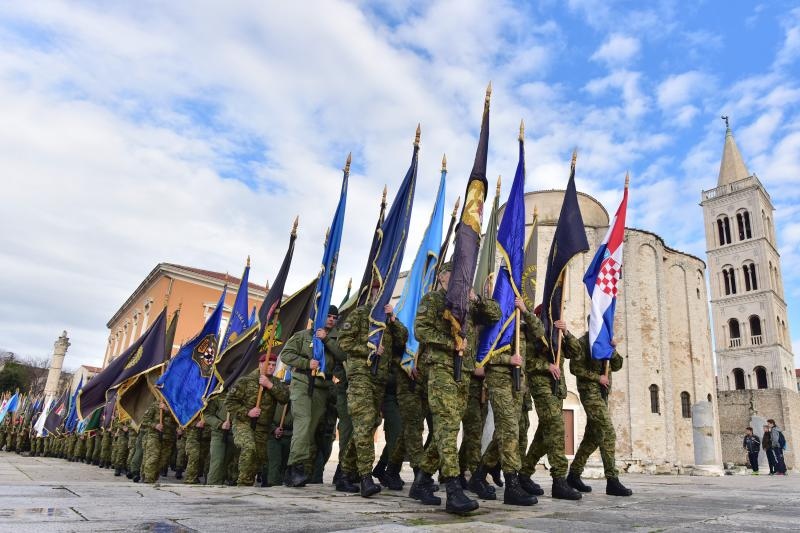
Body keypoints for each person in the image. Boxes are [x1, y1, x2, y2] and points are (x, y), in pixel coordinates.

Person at [409, 263, 502, 515]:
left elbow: (495, 314)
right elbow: (420, 330)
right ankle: (452, 488)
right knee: (448, 426)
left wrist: (476, 298)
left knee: (446, 427)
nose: (460, 281)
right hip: (441, 368)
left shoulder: (467, 303)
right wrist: (451, 342)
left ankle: (421, 480)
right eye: (455, 277)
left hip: (465, 372)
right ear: (442, 278)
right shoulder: (433, 299)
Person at [338, 281, 408, 498]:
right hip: (361, 375)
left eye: (384, 294)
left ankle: (344, 473)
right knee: (365, 421)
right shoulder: (360, 314)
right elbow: (343, 342)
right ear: (370, 295)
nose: (381, 297)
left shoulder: (387, 319)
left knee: (367, 425)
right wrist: (369, 348)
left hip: (379, 380)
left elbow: (403, 339)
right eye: (378, 293)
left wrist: (393, 319)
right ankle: (365, 477)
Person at [478, 296, 537, 506]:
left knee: (506, 431)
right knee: (509, 429)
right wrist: (508, 359)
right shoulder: (495, 321)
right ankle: (512, 485)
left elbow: (540, 334)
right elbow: (483, 355)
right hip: (499, 378)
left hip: (518, 383)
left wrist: (526, 311)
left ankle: (479, 474)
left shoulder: (522, 322)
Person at [518, 305, 582, 501]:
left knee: (544, 436)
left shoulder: (557, 337)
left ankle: (524, 474)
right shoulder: (531, 334)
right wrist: (547, 365)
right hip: (541, 385)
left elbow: (576, 352)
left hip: (557, 389)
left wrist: (566, 332)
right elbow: (527, 362)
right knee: (555, 428)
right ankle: (559, 480)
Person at [281, 305, 347, 487]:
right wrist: (305, 362)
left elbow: (343, 355)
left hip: (322, 387)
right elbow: (286, 355)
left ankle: (296, 470)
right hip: (302, 382)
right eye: (328, 316)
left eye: (334, 317)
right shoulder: (303, 335)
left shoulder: (336, 338)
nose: (331, 319)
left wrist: (326, 340)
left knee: (310, 429)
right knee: (303, 422)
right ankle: (295, 467)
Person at [566, 329, 632, 496]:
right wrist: (597, 378)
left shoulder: (605, 343)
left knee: (592, 437)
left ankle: (573, 475)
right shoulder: (583, 342)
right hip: (590, 393)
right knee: (607, 432)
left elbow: (617, 365)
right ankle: (612, 480)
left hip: (603, 394)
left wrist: (612, 350)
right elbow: (575, 368)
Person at [225, 354, 288, 486]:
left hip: (262, 428)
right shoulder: (245, 381)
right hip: (243, 422)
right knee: (249, 448)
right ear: (260, 364)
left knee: (258, 458)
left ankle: (241, 478)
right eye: (268, 364)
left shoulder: (276, 382)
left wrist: (269, 385)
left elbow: (285, 398)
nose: (271, 367)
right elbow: (229, 402)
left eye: (273, 365)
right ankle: (243, 484)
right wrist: (247, 412)